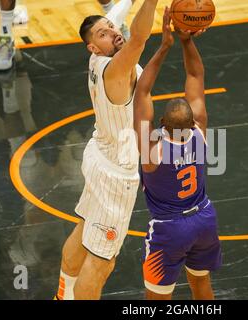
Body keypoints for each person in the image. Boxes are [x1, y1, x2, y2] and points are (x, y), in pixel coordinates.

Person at [55, 0, 159, 300]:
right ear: (93, 48)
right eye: (103, 34)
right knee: (102, 262)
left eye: (112, 28)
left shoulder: (97, 58)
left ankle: (63, 295)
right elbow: (139, 38)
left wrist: (117, 14)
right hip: (115, 175)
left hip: (99, 153)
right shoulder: (116, 70)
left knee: (84, 228)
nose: (112, 33)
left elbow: (113, 20)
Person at [133, 7, 221, 300]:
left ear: (161, 124)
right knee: (201, 283)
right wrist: (186, 40)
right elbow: (196, 74)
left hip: (170, 230)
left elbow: (142, 94)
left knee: (157, 296)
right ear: (193, 121)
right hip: (204, 219)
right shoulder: (200, 132)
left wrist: (164, 45)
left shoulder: (152, 150)